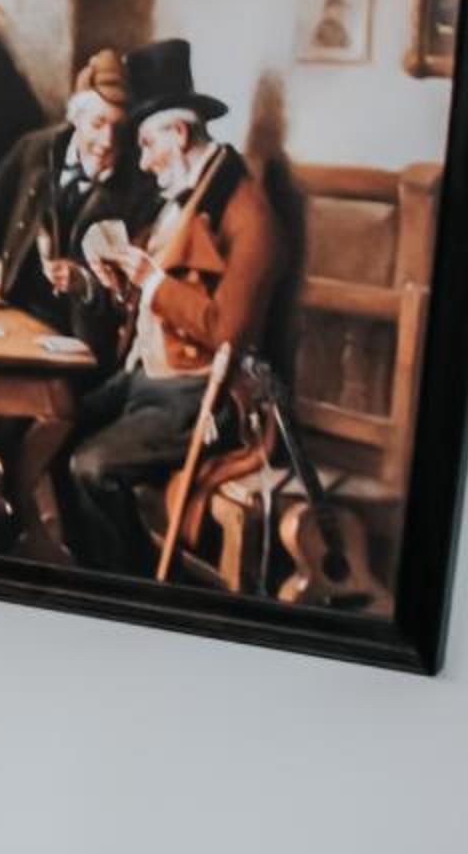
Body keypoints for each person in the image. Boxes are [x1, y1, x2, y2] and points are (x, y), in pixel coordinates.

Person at [64, 40, 299, 573]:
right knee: (56, 423)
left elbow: (227, 332)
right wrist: (121, 280)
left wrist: (152, 283)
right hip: (150, 377)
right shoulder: (185, 196)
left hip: (204, 397)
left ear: (180, 135)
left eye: (149, 145)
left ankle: (124, 587)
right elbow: (161, 297)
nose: (144, 162)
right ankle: (92, 568)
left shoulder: (249, 217)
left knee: (90, 467)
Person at [0, 48, 142, 327]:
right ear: (77, 118)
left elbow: (125, 288)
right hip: (14, 303)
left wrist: (83, 281)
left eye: (118, 129)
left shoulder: (134, 183)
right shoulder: (37, 147)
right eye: (98, 124)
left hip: (76, 329)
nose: (108, 141)